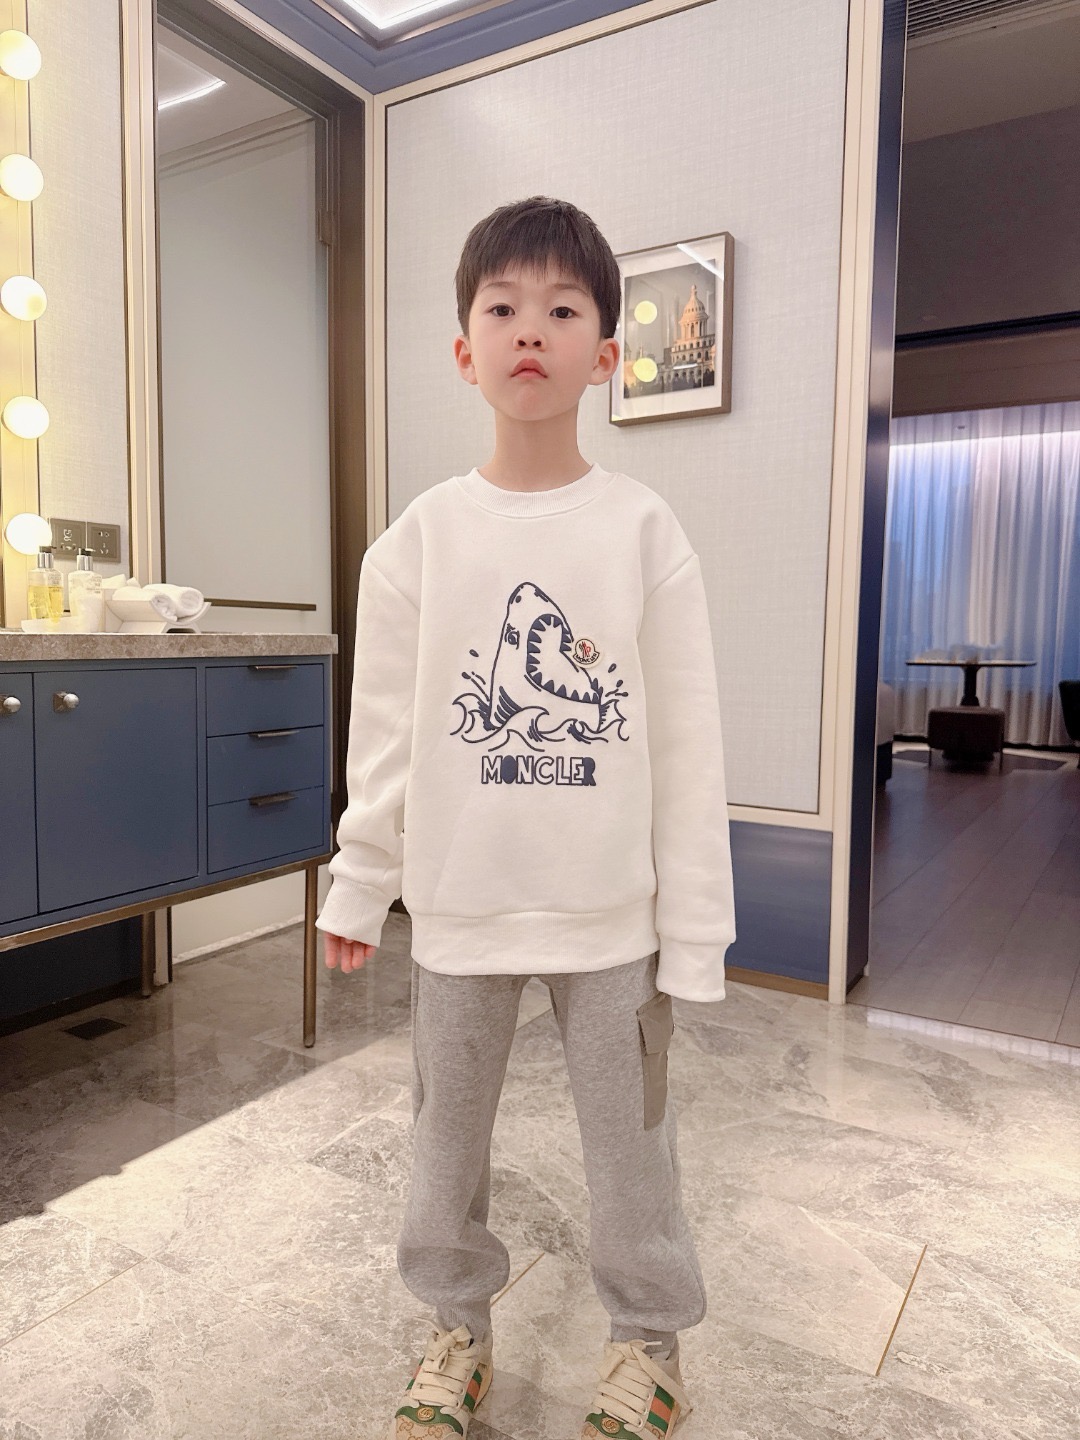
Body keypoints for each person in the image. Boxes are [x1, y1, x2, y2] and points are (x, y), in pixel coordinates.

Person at [316, 195, 736, 1439]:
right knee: (444, 1145)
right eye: (502, 307)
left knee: (634, 1147)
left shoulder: (644, 532)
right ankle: (455, 1327)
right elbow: (384, 738)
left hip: (614, 922)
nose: (530, 329)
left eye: (562, 308)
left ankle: (649, 1341)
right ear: (466, 350)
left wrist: (694, 932)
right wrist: (360, 881)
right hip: (461, 910)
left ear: (605, 354)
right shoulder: (416, 543)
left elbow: (686, 747)